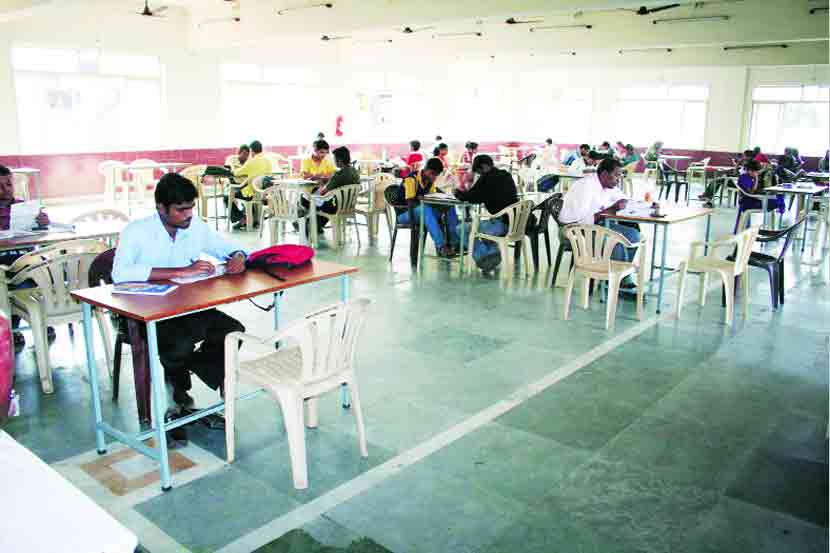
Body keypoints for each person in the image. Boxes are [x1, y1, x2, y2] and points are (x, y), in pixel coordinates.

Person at [112, 173, 247, 408]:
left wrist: (238, 256)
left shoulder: (193, 226)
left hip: (187, 306)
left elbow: (227, 247)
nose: (188, 215)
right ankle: (179, 384)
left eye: (191, 208)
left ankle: (186, 369)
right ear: (161, 208)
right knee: (179, 344)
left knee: (232, 331)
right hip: (146, 314)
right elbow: (120, 274)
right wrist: (178, 271)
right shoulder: (137, 231)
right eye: (181, 210)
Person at [559, 158, 640, 288]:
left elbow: (622, 196)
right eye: (616, 175)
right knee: (616, 240)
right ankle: (614, 281)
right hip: (573, 231)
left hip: (594, 226)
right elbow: (582, 221)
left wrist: (622, 201)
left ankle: (619, 277)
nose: (618, 179)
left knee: (633, 235)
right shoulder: (586, 186)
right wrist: (612, 209)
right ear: (604, 175)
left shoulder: (607, 185)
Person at [0, 165, 51, 349]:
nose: (5, 191)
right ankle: (13, 328)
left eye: (8, 184)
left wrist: (43, 222)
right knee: (18, 283)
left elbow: (41, 234)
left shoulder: (23, 206)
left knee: (45, 271)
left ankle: (45, 319)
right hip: (5, 265)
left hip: (28, 260)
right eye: (0, 186)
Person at [453, 155, 519, 272]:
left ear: (483, 167)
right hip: (515, 224)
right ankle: (492, 254)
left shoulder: (487, 178)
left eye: (478, 172)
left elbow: (470, 197)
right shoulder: (506, 175)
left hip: (500, 225)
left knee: (461, 229)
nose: (479, 175)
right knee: (485, 225)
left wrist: (457, 192)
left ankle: (484, 258)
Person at [398, 157, 460, 257]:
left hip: (424, 212)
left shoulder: (429, 181)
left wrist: (441, 200)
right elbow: (410, 203)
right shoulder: (411, 179)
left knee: (449, 206)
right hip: (405, 213)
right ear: (426, 169)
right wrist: (421, 200)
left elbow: (431, 198)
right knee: (425, 209)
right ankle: (442, 246)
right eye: (432, 174)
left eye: (436, 175)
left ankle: (455, 242)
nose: (434, 177)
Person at [310, 146, 360, 232]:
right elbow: (341, 183)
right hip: (349, 205)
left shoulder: (339, 174)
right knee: (319, 202)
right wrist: (329, 180)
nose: (334, 161)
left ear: (339, 160)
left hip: (336, 207)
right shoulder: (354, 171)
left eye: (334, 159)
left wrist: (321, 183)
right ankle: (317, 225)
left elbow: (323, 192)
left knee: (311, 198)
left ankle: (309, 224)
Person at [231, 139, 272, 227]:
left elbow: (236, 173)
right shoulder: (268, 161)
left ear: (252, 151)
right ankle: (251, 218)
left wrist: (232, 169)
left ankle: (242, 219)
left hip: (250, 193)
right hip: (263, 193)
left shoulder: (251, 162)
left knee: (228, 196)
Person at [735, 159, 784, 231]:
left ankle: (773, 227)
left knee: (778, 199)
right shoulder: (744, 177)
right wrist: (756, 179)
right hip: (748, 202)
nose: (757, 173)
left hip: (752, 199)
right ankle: (771, 229)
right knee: (776, 202)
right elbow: (751, 192)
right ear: (750, 170)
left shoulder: (750, 176)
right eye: (756, 171)